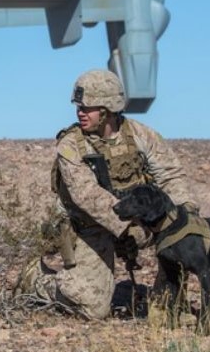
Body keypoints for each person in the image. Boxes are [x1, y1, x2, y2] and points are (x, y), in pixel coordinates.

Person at [18, 68, 199, 319]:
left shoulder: (139, 134)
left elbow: (170, 174)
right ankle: (37, 279)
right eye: (78, 107)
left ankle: (168, 303)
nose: (80, 113)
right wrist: (127, 228)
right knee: (93, 309)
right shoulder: (71, 145)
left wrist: (186, 209)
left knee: (180, 230)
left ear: (107, 110)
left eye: (88, 108)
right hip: (89, 226)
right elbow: (87, 195)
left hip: (134, 221)